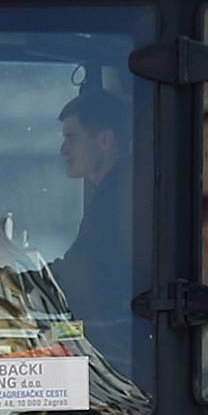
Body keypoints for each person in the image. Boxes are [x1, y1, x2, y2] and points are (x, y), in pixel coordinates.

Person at [52, 87, 131, 343]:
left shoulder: (121, 195)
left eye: (71, 138)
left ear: (105, 140)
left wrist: (26, 284)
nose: (63, 150)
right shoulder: (113, 190)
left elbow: (82, 271)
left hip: (115, 341)